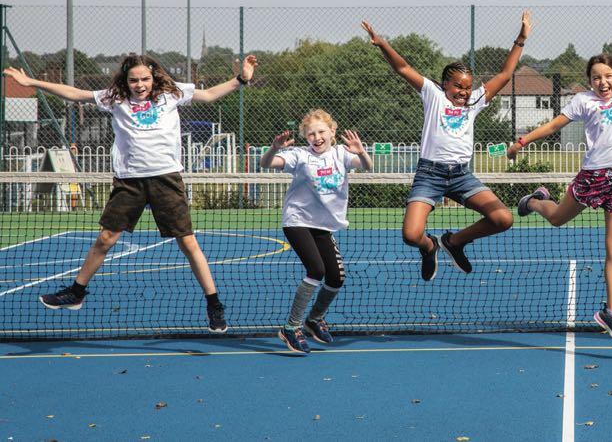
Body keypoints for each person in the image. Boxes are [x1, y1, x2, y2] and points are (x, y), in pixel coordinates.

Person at [4, 53, 257, 333]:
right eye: (134, 80)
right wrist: (31, 82)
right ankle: (76, 293)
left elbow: (208, 95)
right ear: (126, 80)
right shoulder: (115, 98)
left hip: (166, 178)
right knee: (105, 238)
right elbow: (75, 94)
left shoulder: (171, 94)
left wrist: (240, 79)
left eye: (145, 79)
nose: (140, 85)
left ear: (153, 78)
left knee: (188, 243)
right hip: (129, 181)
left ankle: (214, 305)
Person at [510, 7, 612, 343]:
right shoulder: (583, 101)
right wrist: (522, 141)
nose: (603, 82)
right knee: (558, 219)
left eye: (608, 76)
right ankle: (535, 201)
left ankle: (611, 312)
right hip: (594, 177)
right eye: (596, 77)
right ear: (590, 82)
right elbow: (553, 125)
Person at [361, 12, 531, 280]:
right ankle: (430, 246)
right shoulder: (433, 95)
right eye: (458, 86)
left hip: (461, 175)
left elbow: (505, 73)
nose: (463, 91)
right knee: (411, 235)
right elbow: (403, 68)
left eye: (468, 87)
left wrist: (520, 39)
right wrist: (382, 44)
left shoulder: (475, 101)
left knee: (503, 219)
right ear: (444, 84)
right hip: (430, 174)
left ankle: (454, 242)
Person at [260, 110, 372, 354]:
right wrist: (274, 149)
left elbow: (367, 166)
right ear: (305, 137)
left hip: (324, 224)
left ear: (332, 131)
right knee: (316, 270)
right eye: (311, 134)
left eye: (321, 132)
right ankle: (291, 327)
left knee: (336, 278)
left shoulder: (342, 154)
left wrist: (361, 151)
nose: (317, 137)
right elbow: (266, 163)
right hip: (297, 220)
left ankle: (314, 319)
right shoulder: (299, 155)